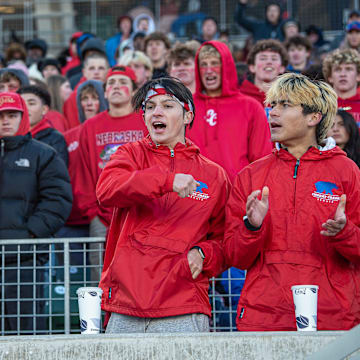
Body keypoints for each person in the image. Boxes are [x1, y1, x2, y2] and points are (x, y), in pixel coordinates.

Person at [224, 72, 360, 331]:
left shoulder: (348, 171)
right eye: (272, 105)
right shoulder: (250, 176)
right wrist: (251, 227)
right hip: (264, 317)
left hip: (333, 316)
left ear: (313, 117)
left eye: (284, 105)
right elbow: (234, 257)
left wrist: (344, 233)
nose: (272, 113)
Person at [96, 76, 230, 333]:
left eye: (168, 105)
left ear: (188, 115)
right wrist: (166, 181)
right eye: (150, 106)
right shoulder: (129, 154)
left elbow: (225, 238)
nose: (157, 111)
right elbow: (107, 190)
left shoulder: (214, 175)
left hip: (183, 303)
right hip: (126, 304)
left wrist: (204, 254)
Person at [0, 92, 72, 334]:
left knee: (25, 334)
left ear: (23, 117)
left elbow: (58, 200)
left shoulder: (43, 153)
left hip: (25, 260)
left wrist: (30, 235)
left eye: (12, 115)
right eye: (1, 116)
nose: (5, 120)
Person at [75, 66, 147, 282]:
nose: (117, 87)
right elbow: (83, 172)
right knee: (101, 275)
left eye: (123, 83)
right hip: (101, 214)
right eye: (112, 84)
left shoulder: (146, 120)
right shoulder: (90, 126)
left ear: (134, 91)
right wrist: (92, 211)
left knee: (140, 271)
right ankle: (103, 316)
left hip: (141, 211)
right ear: (105, 92)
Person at [188, 41, 272, 182]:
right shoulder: (186, 107)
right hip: (195, 195)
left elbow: (261, 160)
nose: (209, 70)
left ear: (226, 67)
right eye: (203, 65)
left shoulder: (250, 107)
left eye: (215, 63)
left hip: (236, 194)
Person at [18, 85, 68, 165]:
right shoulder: (12, 136)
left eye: (31, 103)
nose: (26, 108)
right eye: (21, 104)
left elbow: (57, 172)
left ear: (44, 109)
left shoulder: (55, 139)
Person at [63, 53, 110, 131]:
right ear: (84, 72)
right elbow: (73, 129)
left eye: (101, 68)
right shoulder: (73, 97)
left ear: (108, 71)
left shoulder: (113, 93)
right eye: (92, 68)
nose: (96, 72)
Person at [239, 39, 287, 110]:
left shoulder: (291, 98)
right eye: (263, 58)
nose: (269, 62)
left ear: (282, 68)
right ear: (252, 67)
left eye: (274, 59)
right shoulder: (239, 97)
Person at [323, 48, 360, 126]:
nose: (343, 74)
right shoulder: (322, 106)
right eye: (337, 69)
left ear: (358, 75)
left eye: (348, 69)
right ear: (330, 76)